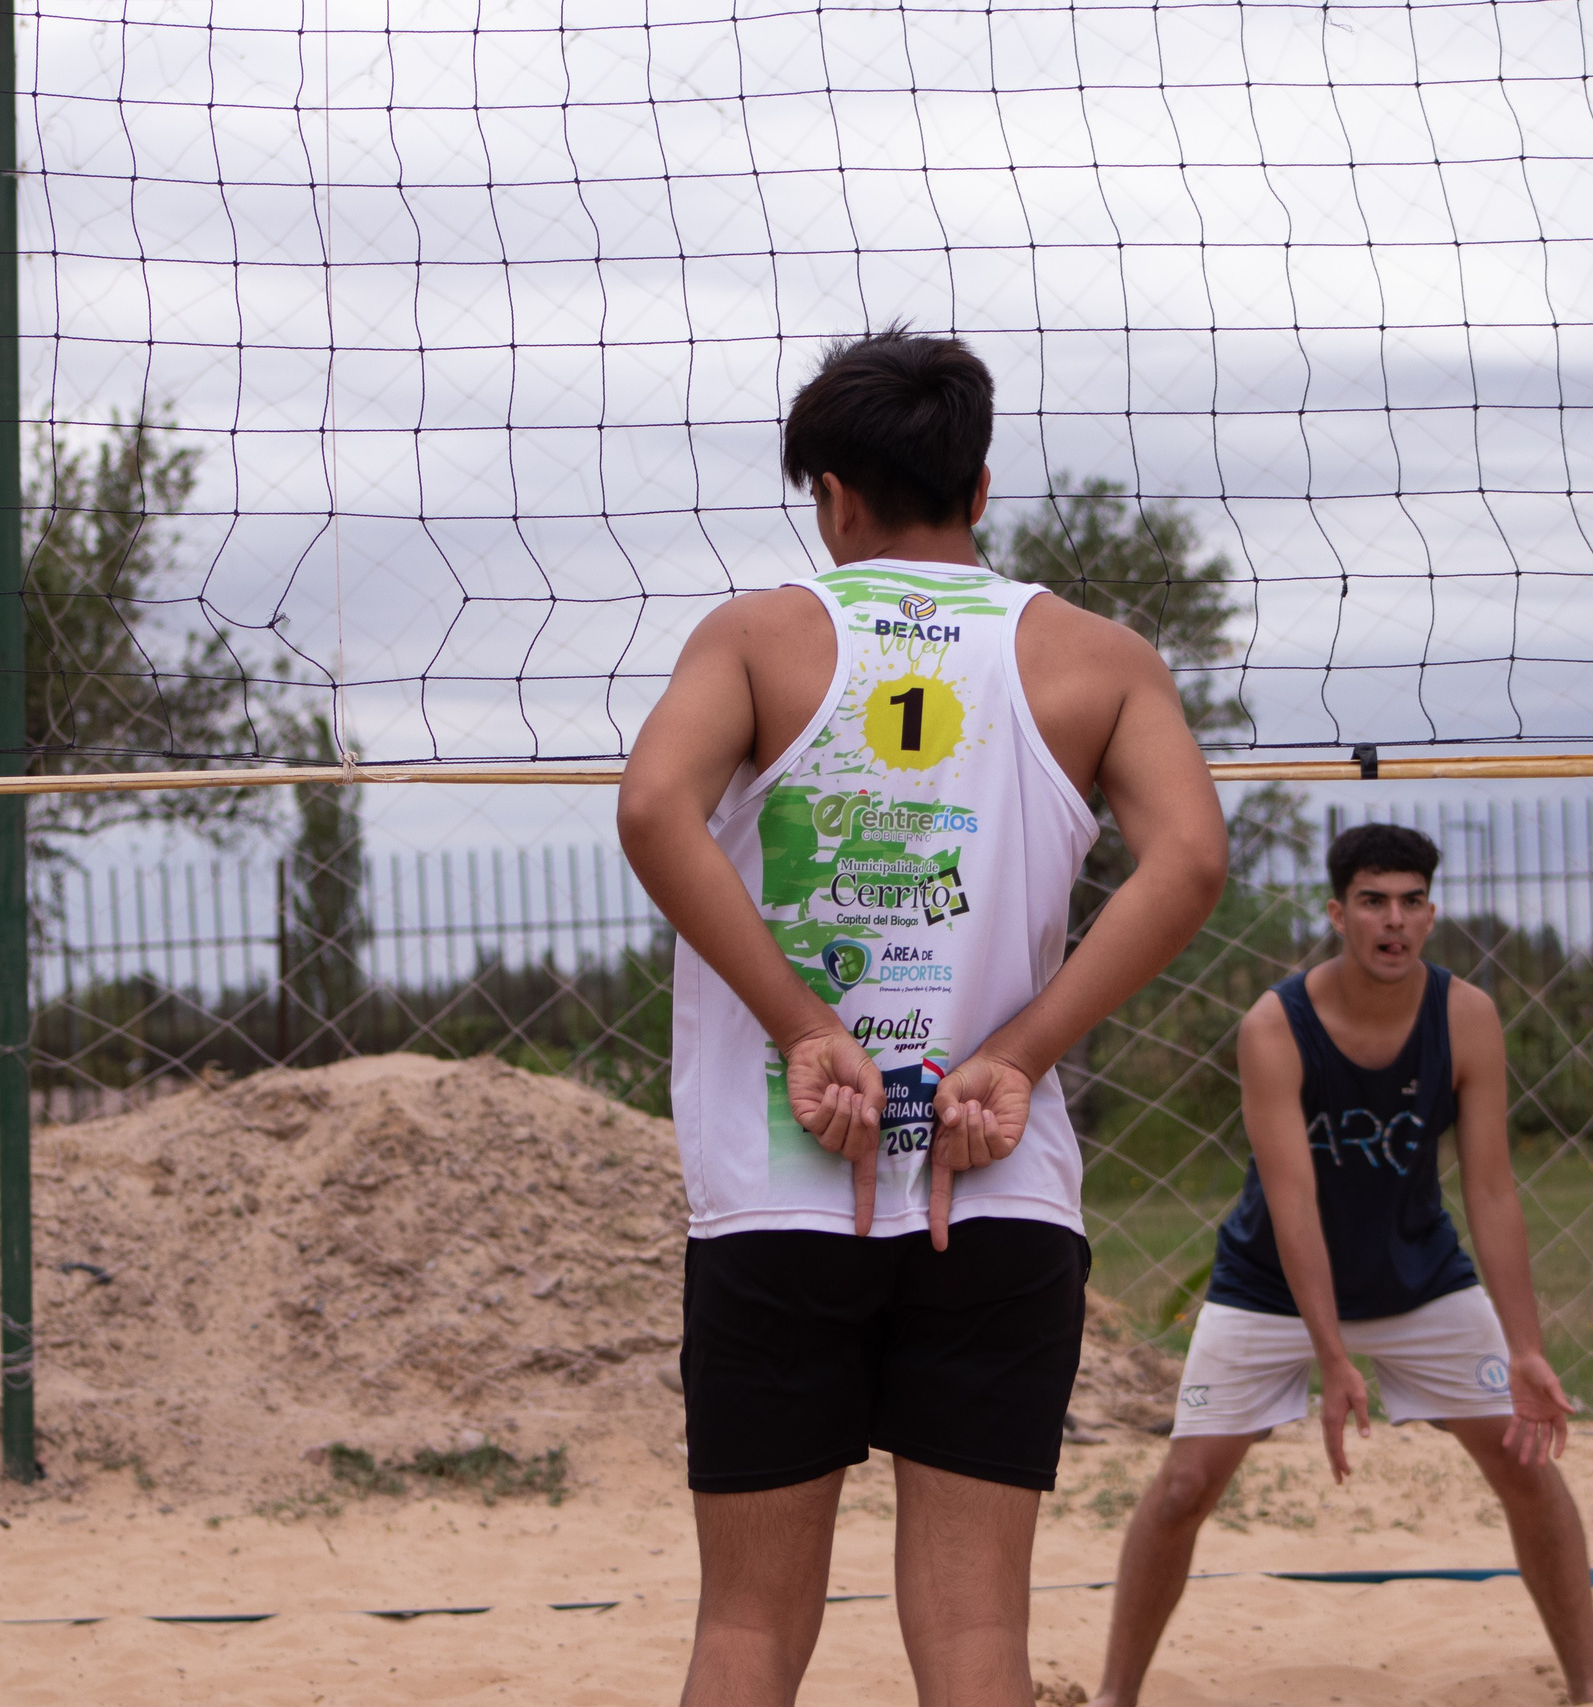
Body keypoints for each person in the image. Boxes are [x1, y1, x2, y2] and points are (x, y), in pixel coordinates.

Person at [618, 326, 1228, 1707]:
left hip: (786, 1188)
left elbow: (654, 808)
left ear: (830, 493)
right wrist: (1019, 1049)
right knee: (972, 1644)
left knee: (749, 1631)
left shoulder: (760, 634)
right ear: (983, 481)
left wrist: (797, 1021)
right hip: (996, 1180)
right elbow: (1190, 859)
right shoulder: (1096, 654)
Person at [1087, 824, 1593, 1707]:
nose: (1393, 921)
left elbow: (1490, 1190)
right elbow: (1292, 1202)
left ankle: (1591, 1686)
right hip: (1272, 1287)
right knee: (1182, 1486)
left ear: (1432, 913)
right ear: (1338, 913)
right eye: (1373, 901)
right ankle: (1114, 1694)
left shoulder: (1466, 1015)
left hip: (1420, 1277)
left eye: (1410, 901)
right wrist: (1331, 1357)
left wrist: (1525, 1345)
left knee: (1527, 1467)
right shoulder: (1274, 1025)